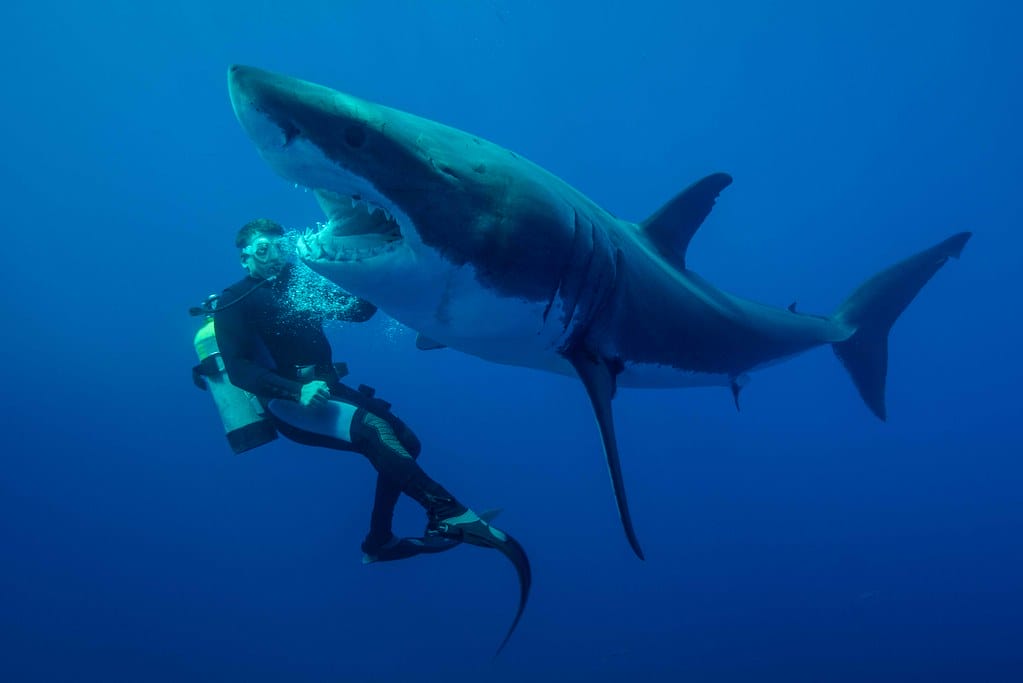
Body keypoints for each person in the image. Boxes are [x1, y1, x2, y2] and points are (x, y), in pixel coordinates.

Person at [212, 218, 517, 564]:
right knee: (375, 429)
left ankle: (379, 540)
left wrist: (365, 269)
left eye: (280, 247)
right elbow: (239, 370)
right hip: (288, 403)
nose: (274, 256)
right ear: (245, 257)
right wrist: (295, 391)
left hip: (328, 390)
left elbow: (360, 312)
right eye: (264, 249)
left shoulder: (300, 284)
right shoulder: (234, 301)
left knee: (408, 442)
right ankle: (448, 513)